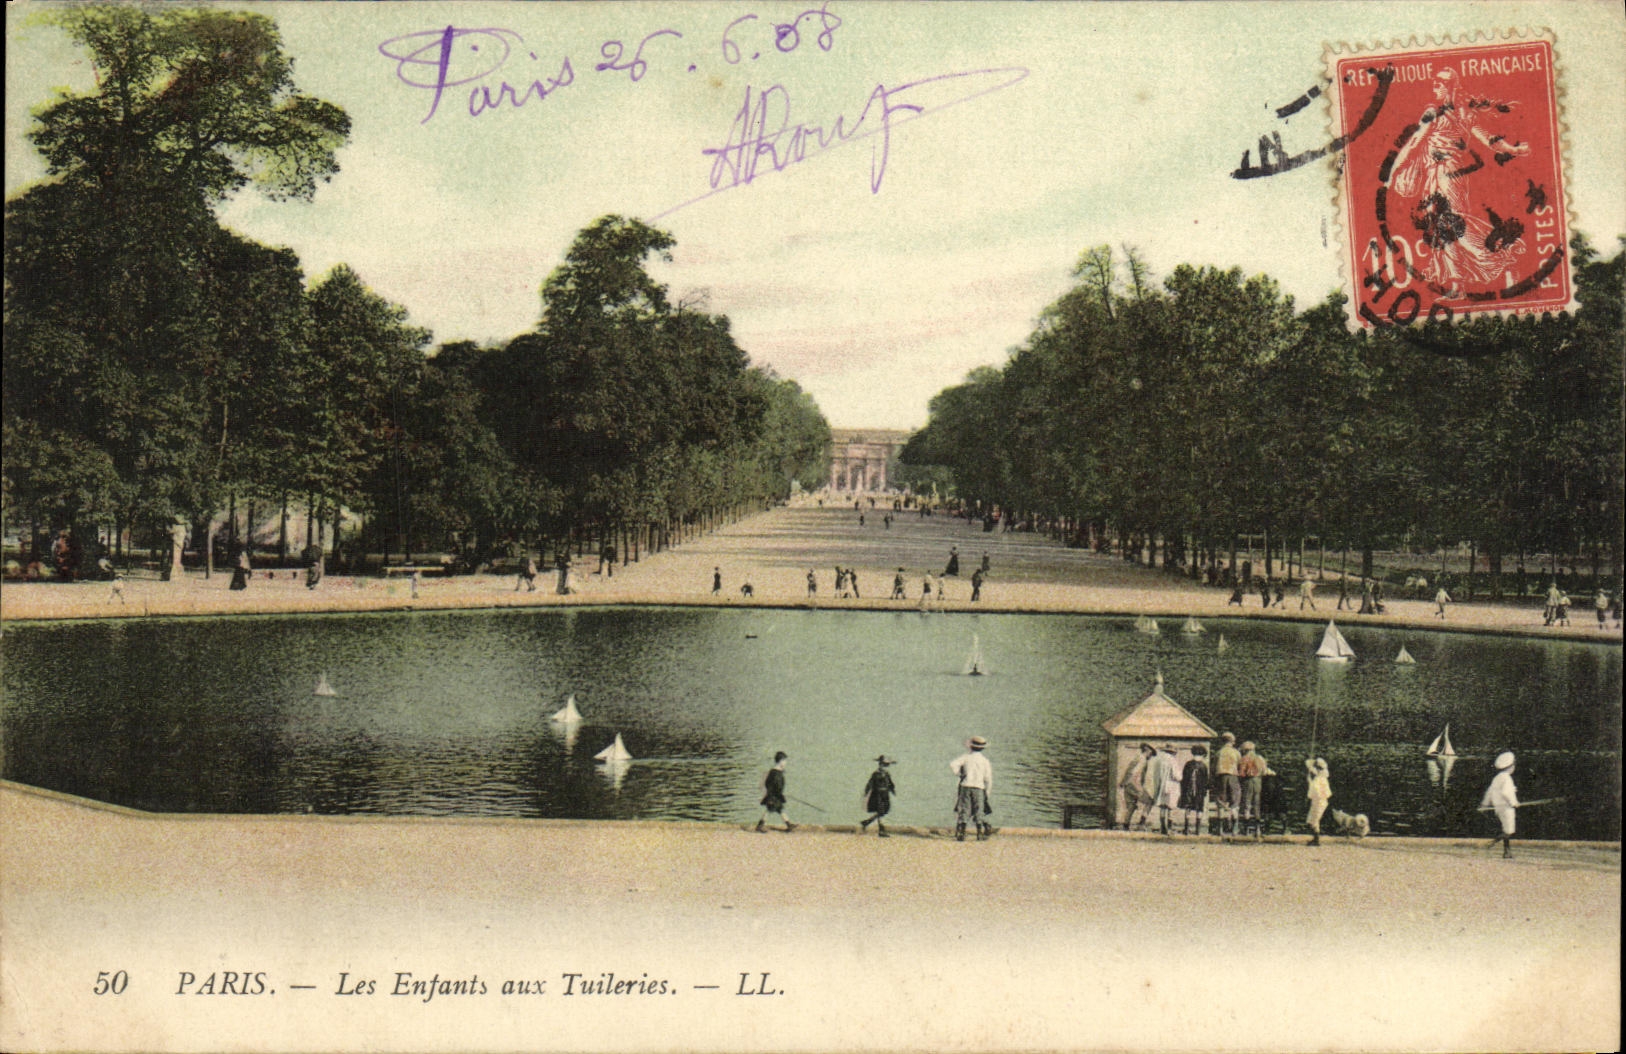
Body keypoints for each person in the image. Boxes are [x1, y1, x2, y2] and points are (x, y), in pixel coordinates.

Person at [949, 736, 993, 841]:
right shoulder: (985, 761)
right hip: (979, 787)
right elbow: (988, 778)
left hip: (966, 785)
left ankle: (961, 832)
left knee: (965, 808)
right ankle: (979, 833)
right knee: (979, 809)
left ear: (970, 747)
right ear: (983, 748)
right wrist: (987, 792)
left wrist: (959, 773)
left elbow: (953, 764)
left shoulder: (966, 757)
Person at [1480, 751, 1519, 859]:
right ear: (1510, 766)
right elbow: (1506, 792)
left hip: (1498, 807)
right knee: (1509, 831)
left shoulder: (1497, 778)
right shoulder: (1507, 778)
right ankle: (1492, 842)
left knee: (1505, 829)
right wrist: (1514, 803)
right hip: (1507, 808)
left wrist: (1484, 804)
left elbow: (1489, 792)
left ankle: (1507, 852)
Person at [756, 752, 795, 833]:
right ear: (780, 761)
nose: (785, 763)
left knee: (780, 809)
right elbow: (769, 785)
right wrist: (771, 796)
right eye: (784, 761)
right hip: (773, 796)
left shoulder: (778, 772)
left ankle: (789, 824)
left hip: (776, 795)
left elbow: (778, 785)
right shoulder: (774, 773)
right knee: (770, 810)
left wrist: (780, 793)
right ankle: (760, 826)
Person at [858, 755, 897, 837]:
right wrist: (866, 792)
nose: (885, 767)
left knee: (884, 811)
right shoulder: (876, 774)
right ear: (880, 764)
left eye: (887, 765)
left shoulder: (886, 774)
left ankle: (867, 822)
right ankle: (881, 830)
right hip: (878, 794)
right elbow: (870, 783)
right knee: (881, 811)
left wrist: (892, 790)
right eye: (884, 765)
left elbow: (890, 783)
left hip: (885, 794)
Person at [1121, 743, 1156, 830]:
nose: (1151, 756)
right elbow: (1134, 772)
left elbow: (1128, 770)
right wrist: (1139, 787)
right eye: (1151, 753)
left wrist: (1124, 782)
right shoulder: (1142, 759)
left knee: (1131, 806)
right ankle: (1141, 824)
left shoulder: (1136, 757)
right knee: (1150, 801)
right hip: (1133, 784)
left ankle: (1126, 826)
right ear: (1148, 751)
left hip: (1127, 784)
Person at [1237, 741, 1267, 838]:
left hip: (1248, 781)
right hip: (1258, 781)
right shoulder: (1260, 758)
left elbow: (1241, 773)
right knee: (1257, 804)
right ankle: (1257, 829)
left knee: (1247, 804)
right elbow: (1264, 771)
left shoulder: (1244, 759)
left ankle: (1246, 829)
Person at [1214, 732, 1242, 834]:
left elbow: (1214, 767)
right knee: (1234, 802)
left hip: (1221, 777)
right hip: (1233, 777)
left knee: (1221, 802)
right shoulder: (1236, 753)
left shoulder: (1219, 752)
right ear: (1231, 741)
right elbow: (1240, 765)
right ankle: (1234, 828)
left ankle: (1220, 829)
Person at [1179, 744, 1209, 835]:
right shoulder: (1203, 766)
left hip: (1188, 789)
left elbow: (1183, 778)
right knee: (1199, 808)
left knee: (1188, 807)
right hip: (1199, 790)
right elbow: (1206, 780)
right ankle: (1197, 830)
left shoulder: (1188, 764)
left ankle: (1186, 828)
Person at [1305, 758, 1331, 846]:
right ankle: (1315, 839)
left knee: (1314, 821)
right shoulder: (1323, 778)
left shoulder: (1319, 780)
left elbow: (1313, 792)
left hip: (1319, 802)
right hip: (1320, 801)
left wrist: (1309, 780)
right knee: (1313, 820)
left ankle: (1316, 840)